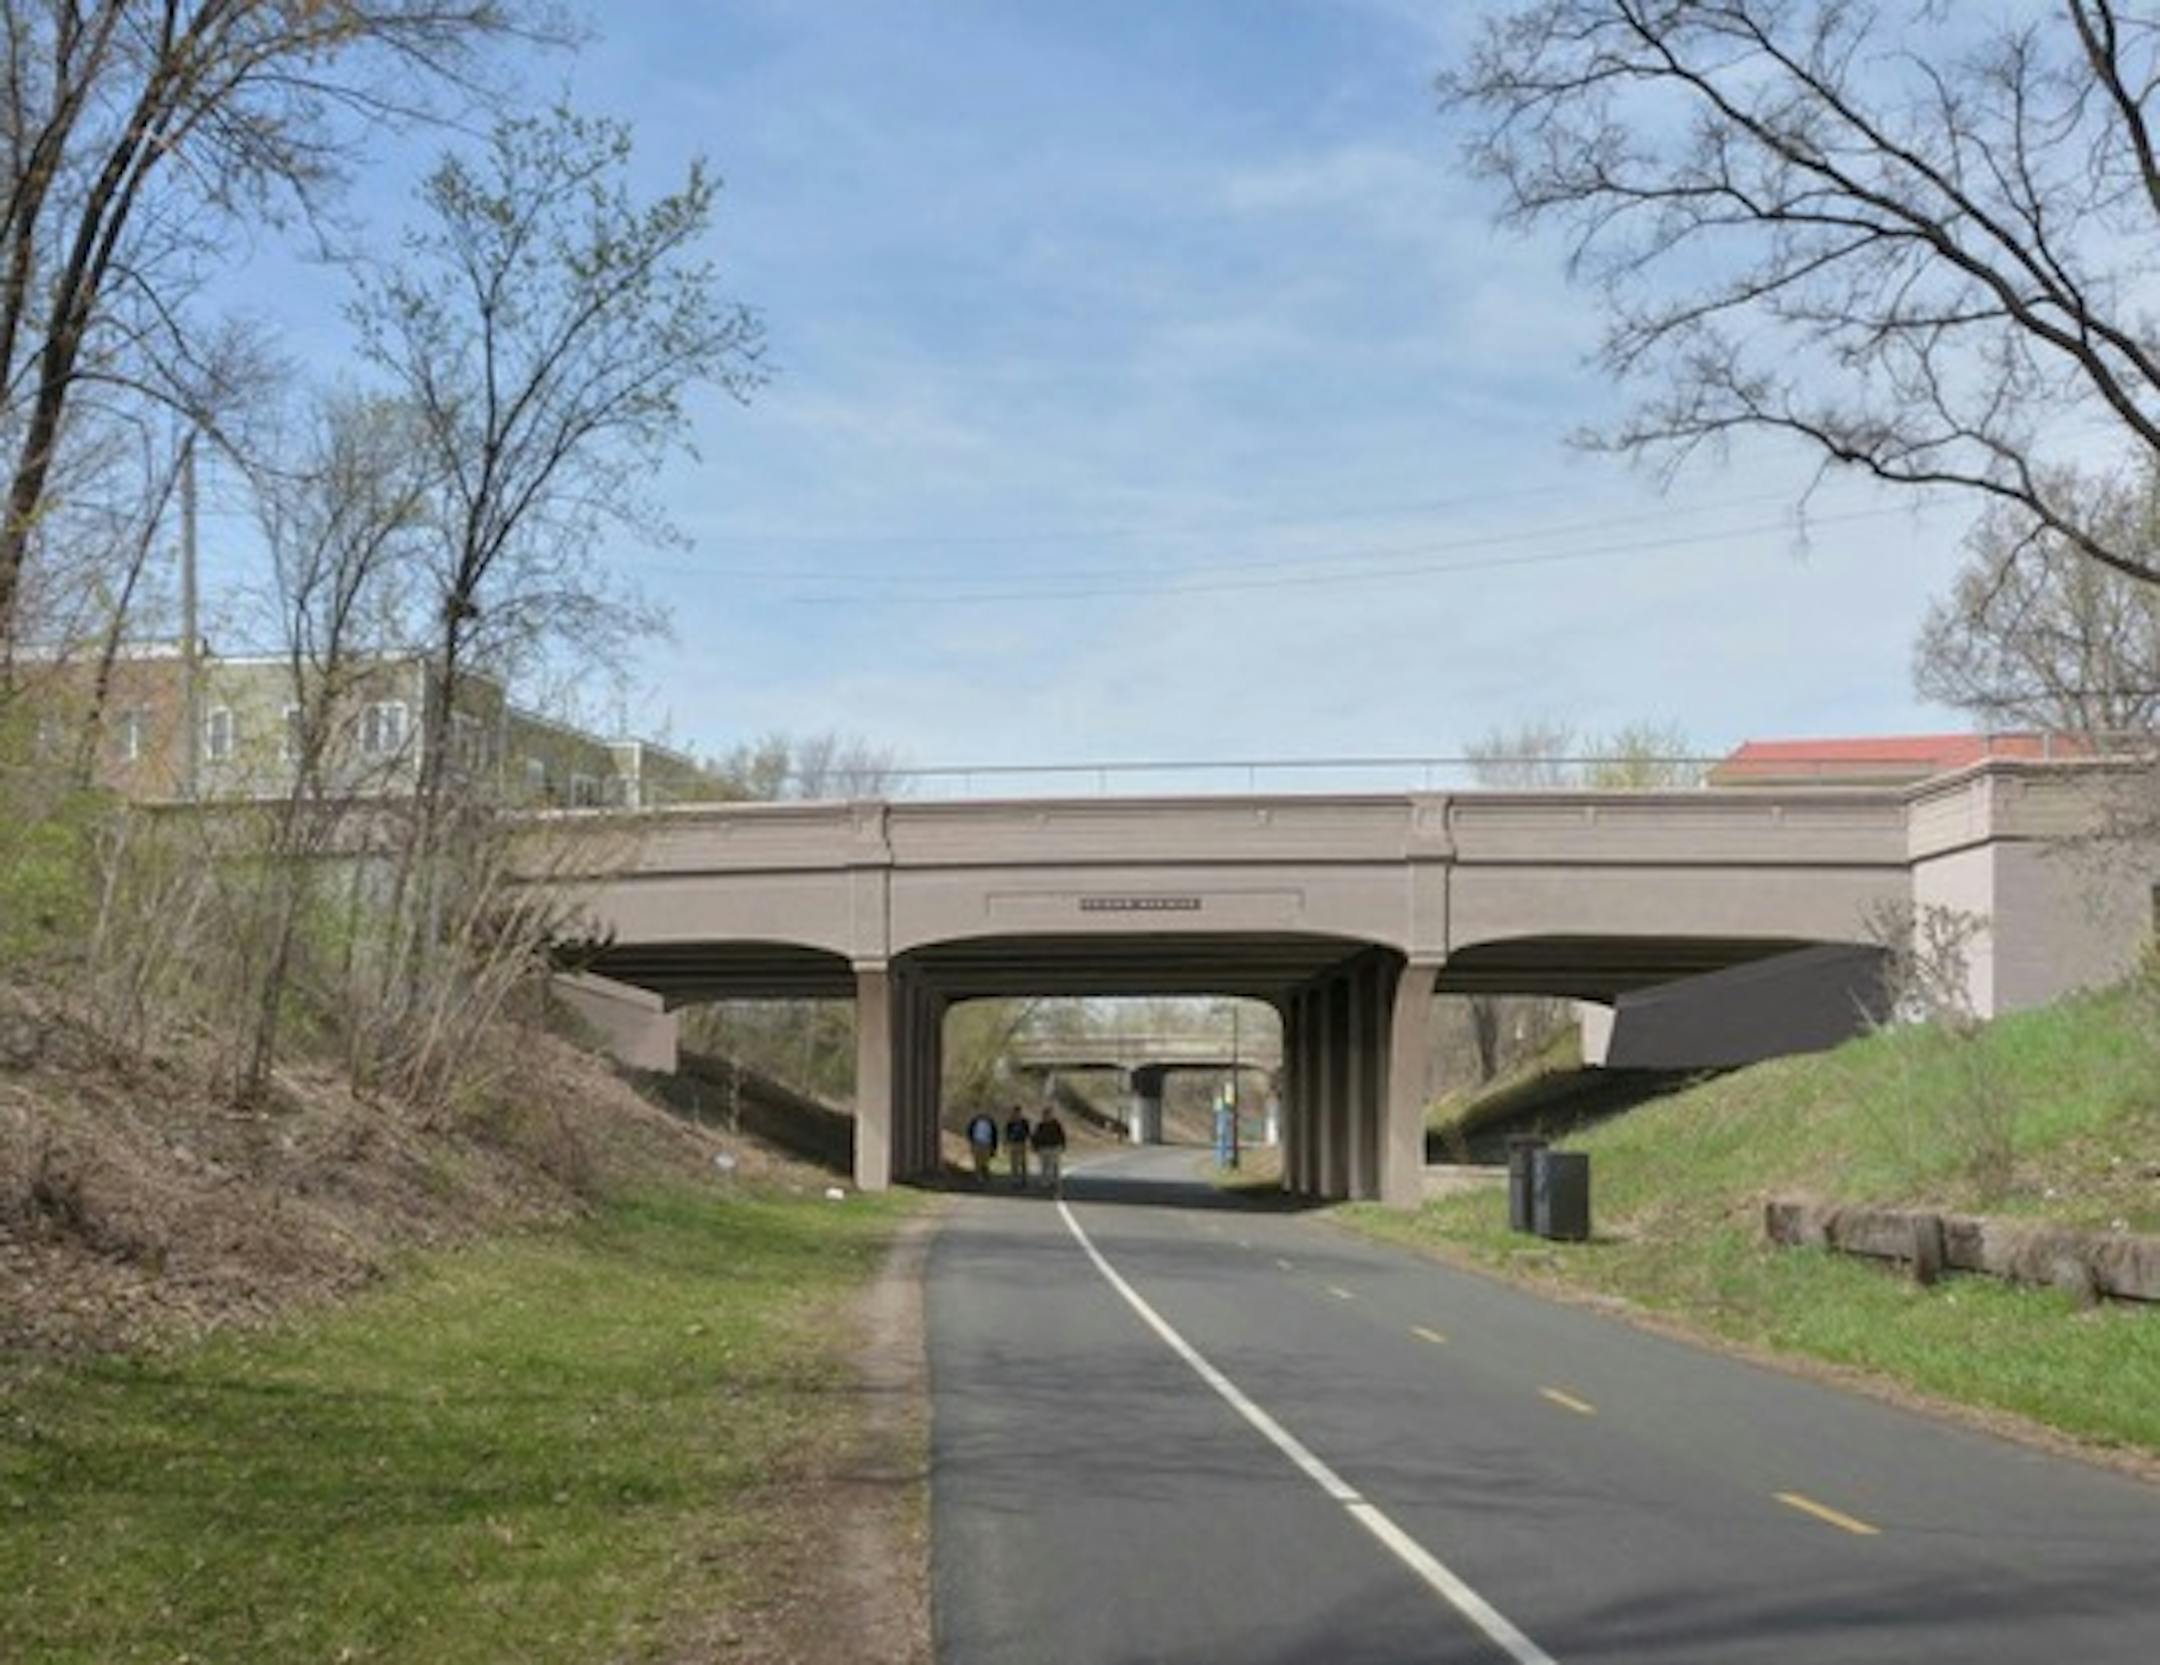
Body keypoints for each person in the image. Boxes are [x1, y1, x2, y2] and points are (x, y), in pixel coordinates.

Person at [1031, 1105, 1068, 1196]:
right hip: (1043, 1148)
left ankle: (1056, 1185)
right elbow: (1035, 1137)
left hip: (1054, 1148)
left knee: (1054, 1166)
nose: (1046, 1117)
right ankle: (1045, 1184)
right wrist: (1035, 1146)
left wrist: (1062, 1146)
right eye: (1045, 1115)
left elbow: (1062, 1136)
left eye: (1048, 1115)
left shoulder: (1056, 1125)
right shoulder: (1040, 1126)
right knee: (1044, 1166)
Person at [964, 1110, 999, 1185]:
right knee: (977, 1160)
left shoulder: (990, 1122)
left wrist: (994, 1146)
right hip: (977, 1142)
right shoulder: (974, 1122)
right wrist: (971, 1142)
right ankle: (978, 1176)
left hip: (987, 1143)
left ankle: (985, 1173)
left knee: (985, 1160)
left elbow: (994, 1134)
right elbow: (969, 1131)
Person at [1003, 1105, 1032, 1188]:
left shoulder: (1024, 1122)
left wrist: (1029, 1142)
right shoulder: (1010, 1123)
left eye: (1018, 1112)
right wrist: (1005, 1144)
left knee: (1023, 1162)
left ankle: (1024, 1179)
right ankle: (1014, 1180)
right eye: (1015, 1112)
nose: (1017, 1114)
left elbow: (1028, 1133)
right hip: (1013, 1143)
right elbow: (1006, 1134)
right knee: (1014, 1163)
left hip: (1022, 1143)